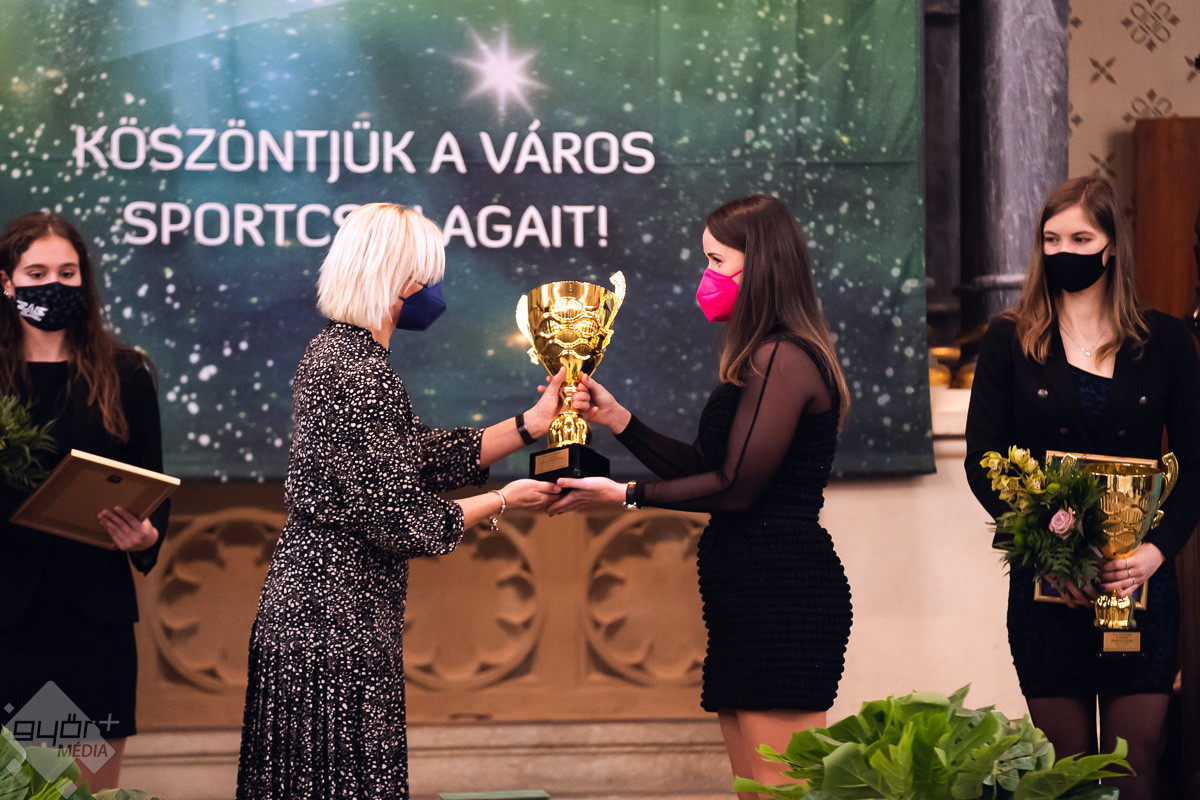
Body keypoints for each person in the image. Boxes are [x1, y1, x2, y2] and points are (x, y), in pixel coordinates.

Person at [235, 202, 563, 800]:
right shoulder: (359, 372)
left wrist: (529, 425)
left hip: (324, 617)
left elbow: (408, 456)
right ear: (399, 279)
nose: (435, 290)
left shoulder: (341, 354)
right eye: (428, 275)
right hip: (334, 628)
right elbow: (400, 519)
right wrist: (502, 499)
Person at [546, 194, 853, 796]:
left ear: (760, 265)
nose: (706, 277)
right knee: (754, 790)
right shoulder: (759, 356)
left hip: (782, 597)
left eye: (716, 261)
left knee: (783, 789)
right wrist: (619, 420)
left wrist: (624, 494)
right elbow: (709, 467)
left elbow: (735, 489)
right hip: (744, 594)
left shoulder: (783, 356)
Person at [964, 176, 1200, 799]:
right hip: (1050, 588)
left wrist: (1157, 552)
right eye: (1051, 239)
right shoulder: (1009, 339)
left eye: (1080, 239)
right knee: (1065, 773)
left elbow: (1196, 462)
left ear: (1111, 245)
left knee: (1133, 765)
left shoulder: (1166, 342)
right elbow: (984, 460)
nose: (1063, 251)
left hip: (1136, 582)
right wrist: (1050, 551)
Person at [0, 212, 168, 790]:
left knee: (85, 788)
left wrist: (146, 536)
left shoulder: (127, 374)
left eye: (67, 273)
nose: (55, 284)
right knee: (18, 786)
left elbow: (151, 485)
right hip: (8, 623)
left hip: (92, 624)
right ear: (6, 282)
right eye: (37, 272)